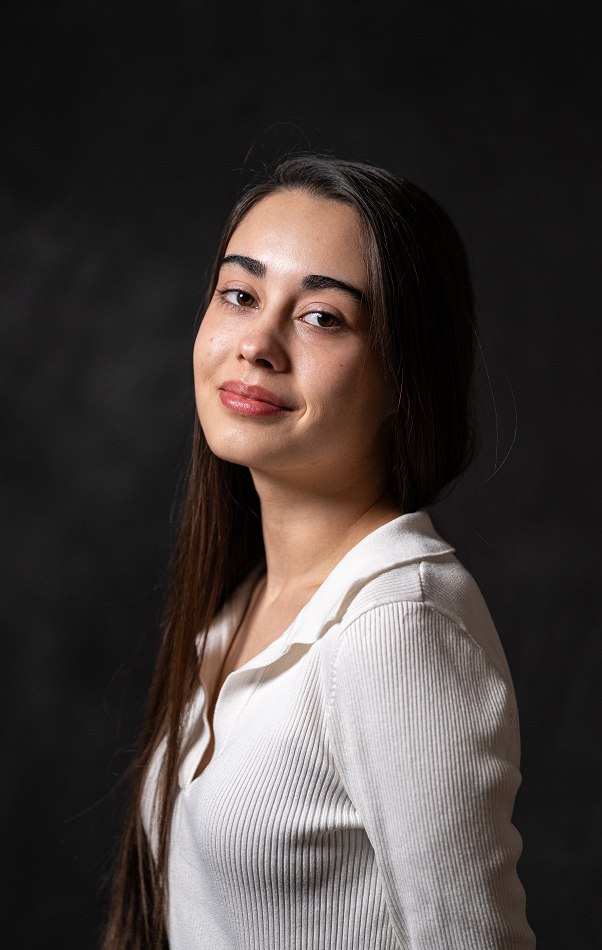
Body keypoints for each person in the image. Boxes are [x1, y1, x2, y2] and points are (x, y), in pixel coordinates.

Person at [103, 154, 536, 949]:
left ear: (406, 372)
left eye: (322, 317)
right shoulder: (244, 600)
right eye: (240, 295)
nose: (257, 344)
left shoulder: (395, 626)